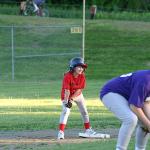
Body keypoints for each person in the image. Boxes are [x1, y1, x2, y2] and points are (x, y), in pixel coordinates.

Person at [100, 70, 150, 150]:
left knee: (146, 121)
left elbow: (145, 102)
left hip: (126, 95)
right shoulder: (146, 80)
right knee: (130, 119)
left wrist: (148, 122)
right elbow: (134, 106)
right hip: (111, 92)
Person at [57, 57, 96, 139]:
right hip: (66, 96)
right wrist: (67, 101)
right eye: (79, 67)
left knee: (84, 112)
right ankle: (61, 132)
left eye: (82, 67)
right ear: (73, 67)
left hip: (77, 95)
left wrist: (71, 99)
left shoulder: (82, 76)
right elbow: (67, 90)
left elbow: (79, 90)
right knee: (65, 111)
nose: (81, 69)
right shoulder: (67, 76)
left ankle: (88, 129)